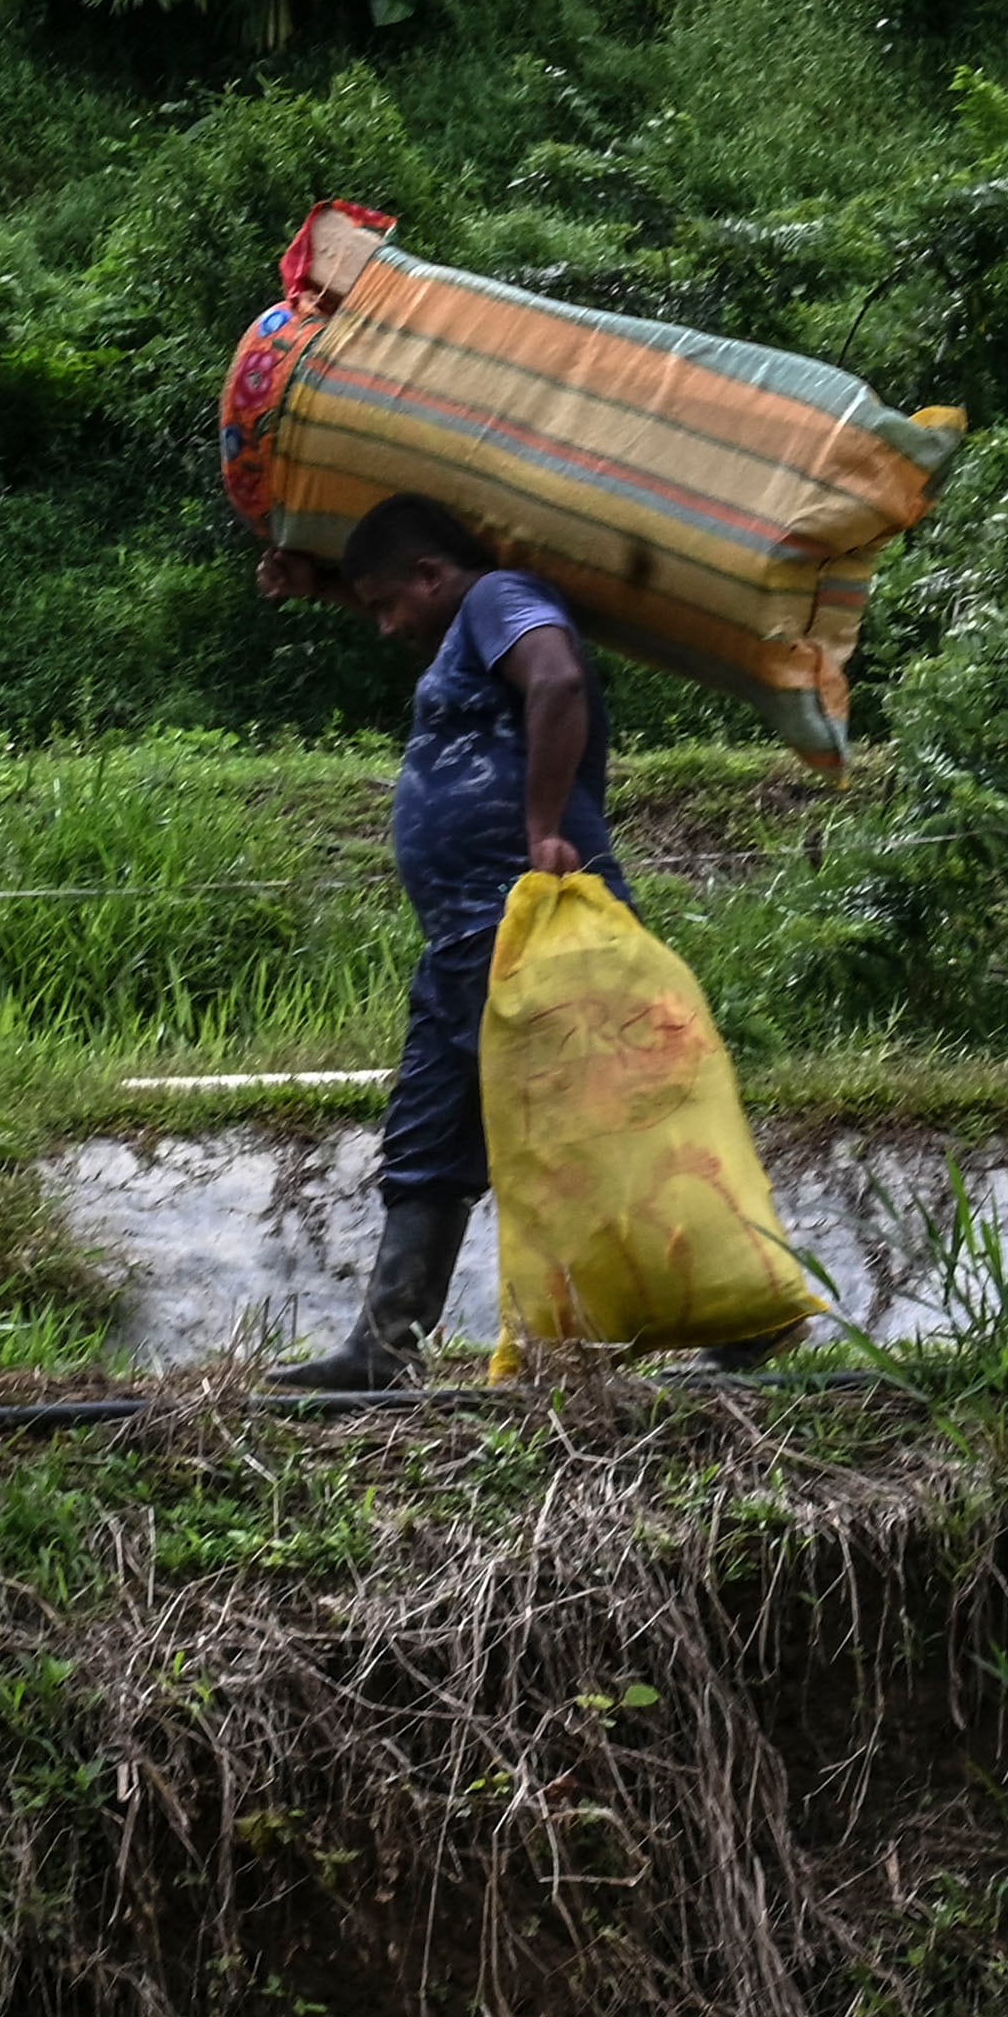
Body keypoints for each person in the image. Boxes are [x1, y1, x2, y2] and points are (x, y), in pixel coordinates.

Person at [260, 496, 625, 1389]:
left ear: (431, 576)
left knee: (601, 1122)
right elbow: (430, 623)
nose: (384, 627)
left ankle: (741, 1316)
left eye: (388, 605)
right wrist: (326, 588)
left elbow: (557, 679)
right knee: (427, 1131)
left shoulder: (501, 594)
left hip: (524, 923)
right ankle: (384, 1347)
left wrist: (542, 824)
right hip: (466, 940)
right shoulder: (464, 621)